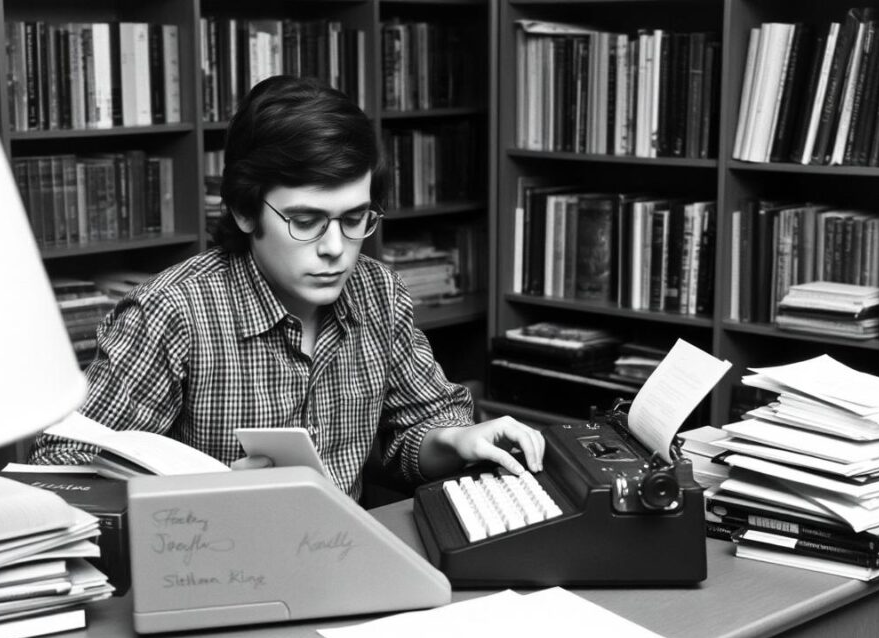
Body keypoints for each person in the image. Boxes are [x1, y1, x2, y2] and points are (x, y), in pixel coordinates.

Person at [31, 75, 544, 501]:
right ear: (244, 209)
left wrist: (457, 439)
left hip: (344, 560)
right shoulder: (171, 312)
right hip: (209, 569)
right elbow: (61, 470)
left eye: (355, 218)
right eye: (305, 220)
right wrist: (211, 492)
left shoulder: (378, 292)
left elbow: (416, 431)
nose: (336, 249)